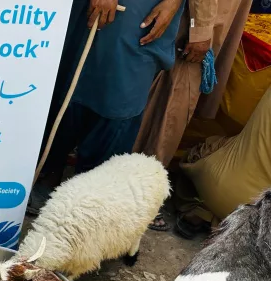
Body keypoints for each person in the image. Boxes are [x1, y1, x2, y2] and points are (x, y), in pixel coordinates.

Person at [29, 0, 186, 216]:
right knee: (71, 79)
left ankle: (90, 197)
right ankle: (50, 171)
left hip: (144, 13)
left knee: (121, 99)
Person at [134, 0, 253, 230]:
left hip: (214, 21)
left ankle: (139, 187)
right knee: (171, 108)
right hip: (199, 25)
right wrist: (200, 30)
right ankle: (141, 195)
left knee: (169, 104)